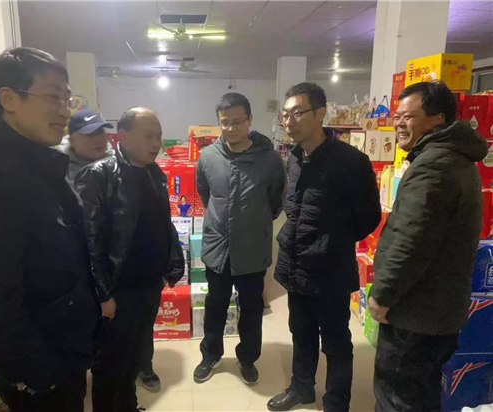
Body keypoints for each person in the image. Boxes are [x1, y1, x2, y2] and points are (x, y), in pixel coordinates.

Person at [0, 47, 100, 412]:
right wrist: (43, 373)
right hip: (40, 373)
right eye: (52, 97)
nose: (64, 111)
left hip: (64, 349)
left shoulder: (37, 165)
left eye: (67, 99)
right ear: (9, 99)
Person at [369, 81, 488, 412]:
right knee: (420, 392)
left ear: (438, 119)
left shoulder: (435, 165)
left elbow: (412, 240)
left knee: (398, 395)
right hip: (436, 311)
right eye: (397, 116)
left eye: (408, 116)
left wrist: (382, 294)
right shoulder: (454, 158)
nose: (399, 123)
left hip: (416, 313)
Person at [269, 82, 381, 412]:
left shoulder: (351, 162)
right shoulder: (293, 158)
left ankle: (336, 403)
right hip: (295, 264)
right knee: (300, 332)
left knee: (335, 342)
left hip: (330, 269)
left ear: (320, 113)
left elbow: (369, 218)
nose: (288, 121)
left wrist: (332, 241)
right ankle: (301, 387)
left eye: (297, 113)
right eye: (285, 115)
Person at [75, 107, 185, 412]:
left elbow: (163, 224)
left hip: (149, 284)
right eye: (148, 136)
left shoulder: (154, 173)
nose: (156, 143)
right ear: (121, 136)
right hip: (117, 290)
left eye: (158, 136)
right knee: (110, 365)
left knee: (135, 357)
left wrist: (171, 264)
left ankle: (129, 406)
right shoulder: (99, 174)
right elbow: (90, 241)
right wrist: (103, 294)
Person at [194, 92, 286, 385]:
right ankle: (210, 355)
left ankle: (247, 358)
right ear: (218, 122)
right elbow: (205, 194)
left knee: (252, 308)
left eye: (237, 121)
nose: (231, 128)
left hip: (252, 247)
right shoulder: (208, 157)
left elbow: (276, 201)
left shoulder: (269, 159)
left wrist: (253, 221)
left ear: (249, 120)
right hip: (218, 247)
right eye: (225, 122)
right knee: (215, 305)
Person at [59, 109, 113, 187]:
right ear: (72, 141)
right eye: (90, 134)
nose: (98, 139)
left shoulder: (118, 165)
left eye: (100, 132)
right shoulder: (59, 170)